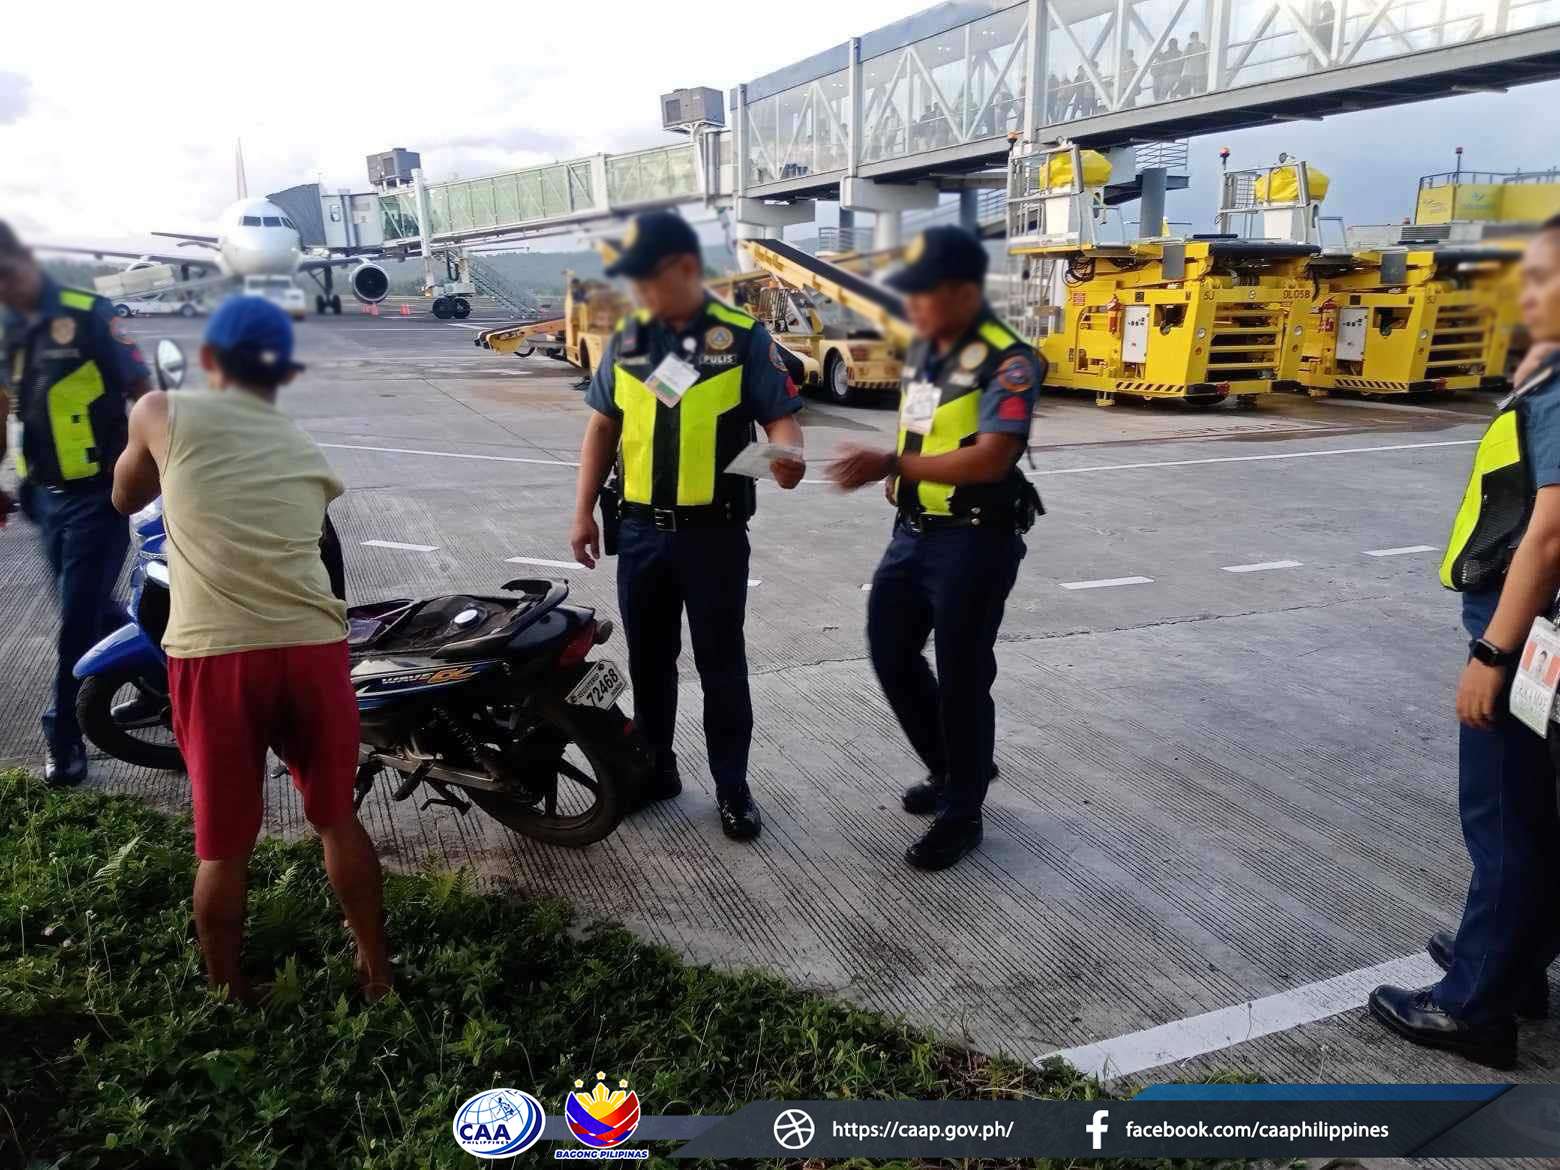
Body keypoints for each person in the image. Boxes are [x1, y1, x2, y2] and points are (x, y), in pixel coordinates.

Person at [110, 296, 391, 1003]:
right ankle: (376, 973)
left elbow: (125, 496)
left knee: (224, 842)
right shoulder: (299, 444)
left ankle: (229, 988)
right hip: (312, 646)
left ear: (209, 362)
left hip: (216, 655)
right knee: (335, 818)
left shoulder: (159, 410)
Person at [1370, 216, 1560, 1068]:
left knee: (1503, 817)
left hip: (1526, 630)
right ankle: (1511, 965)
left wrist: (1493, 654)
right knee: (1531, 816)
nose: (1528, 294)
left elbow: (1551, 532)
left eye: (1544, 278)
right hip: (1537, 628)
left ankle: (1478, 1005)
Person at [569, 211, 805, 842]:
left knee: (721, 666)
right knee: (650, 664)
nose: (641, 293)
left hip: (714, 536)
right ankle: (658, 770)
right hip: (641, 532)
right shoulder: (629, 339)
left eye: (649, 279)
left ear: (687, 270)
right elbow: (602, 425)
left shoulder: (742, 338)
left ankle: (733, 787)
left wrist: (787, 457)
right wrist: (583, 510)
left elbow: (781, 418)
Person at [828, 226, 1043, 871]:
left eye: (921, 294)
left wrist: (892, 462)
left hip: (975, 541)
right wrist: (899, 475)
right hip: (914, 538)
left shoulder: (1010, 360)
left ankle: (964, 811)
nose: (911, 306)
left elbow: (991, 456)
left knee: (963, 676)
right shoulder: (926, 354)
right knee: (891, 653)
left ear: (962, 290)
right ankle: (952, 768)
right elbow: (920, 433)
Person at [0, 219, 150, 786]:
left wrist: (157, 467)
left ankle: (64, 733)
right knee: (95, 609)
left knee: (75, 621)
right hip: (42, 495)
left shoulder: (87, 313)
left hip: (98, 494)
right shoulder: (6, 324)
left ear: (23, 261)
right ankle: (154, 677)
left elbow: (142, 391)